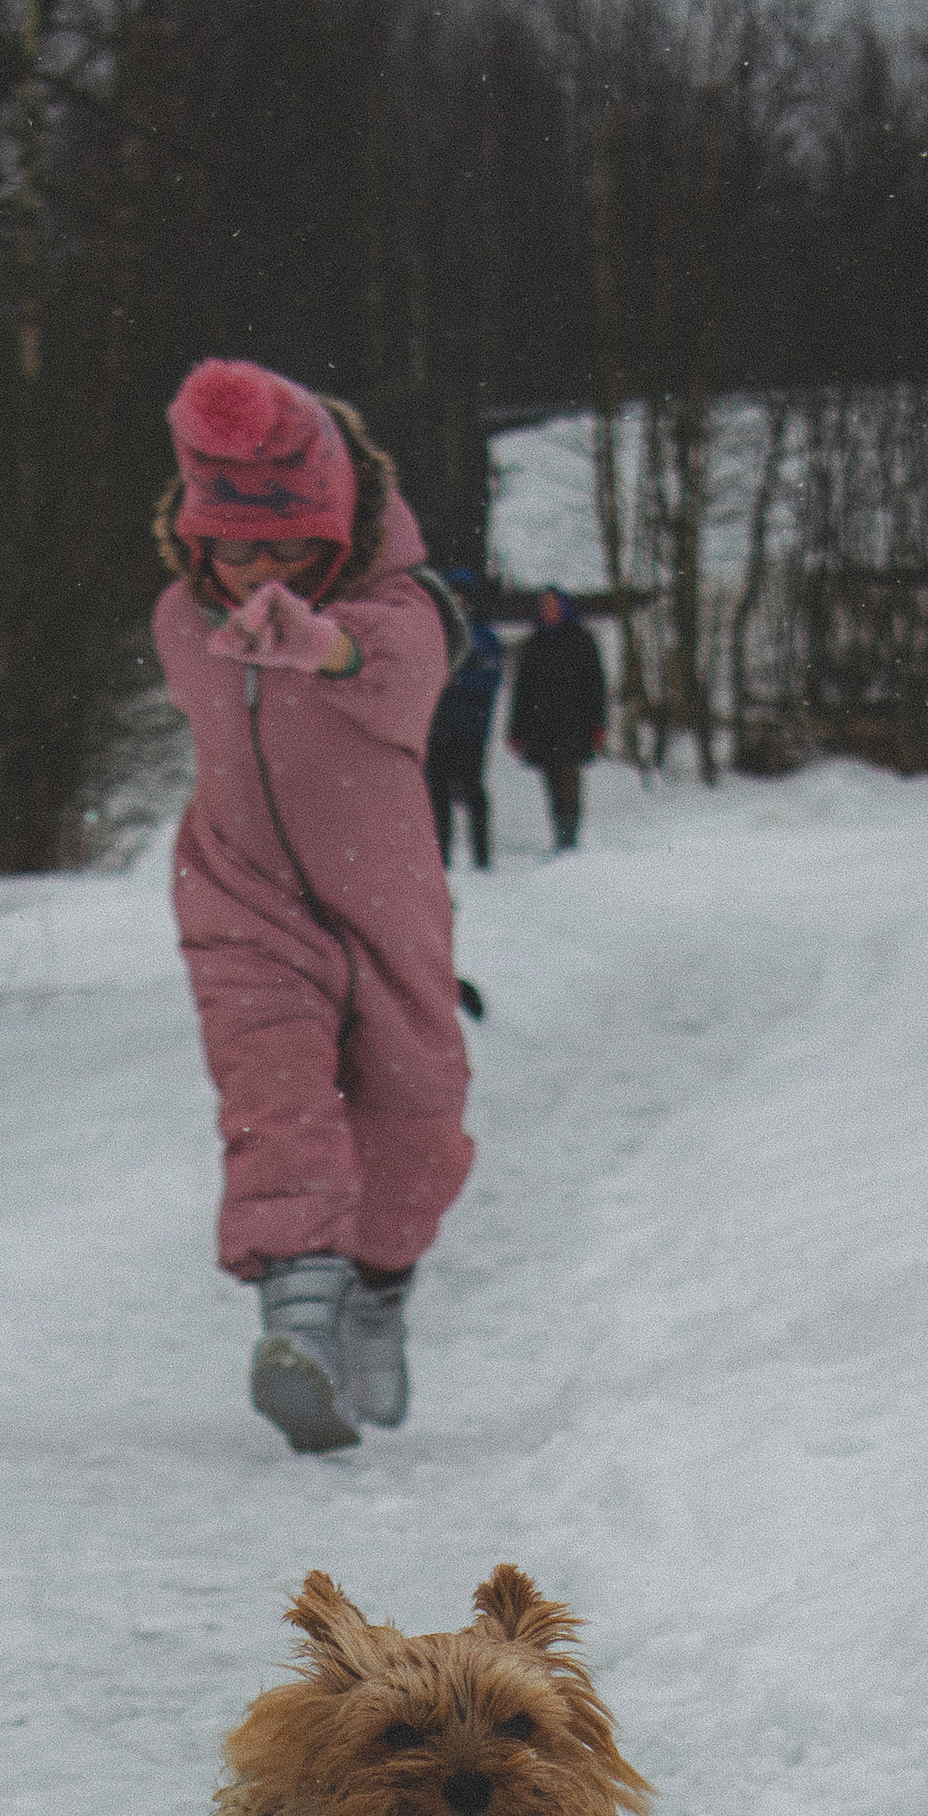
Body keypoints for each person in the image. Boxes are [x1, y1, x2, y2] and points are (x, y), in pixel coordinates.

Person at [152, 360, 472, 1454]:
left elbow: (393, 670)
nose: (258, 573)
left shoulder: (400, 616)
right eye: (234, 548)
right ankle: (297, 1329)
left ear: (339, 533)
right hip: (241, 900)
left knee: (416, 1131)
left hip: (383, 908)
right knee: (276, 1097)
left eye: (289, 549)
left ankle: (375, 1293)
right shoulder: (179, 621)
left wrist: (318, 646)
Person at [507, 587, 610, 851]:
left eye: (553, 606)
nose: (549, 611)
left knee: (568, 781)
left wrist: (598, 724)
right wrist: (517, 730)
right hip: (543, 727)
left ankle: (569, 840)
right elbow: (523, 692)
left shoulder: (581, 640)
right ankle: (560, 837)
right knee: (552, 783)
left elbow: (595, 686)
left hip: (575, 725)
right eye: (545, 606)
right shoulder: (534, 645)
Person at [425, 566, 504, 871]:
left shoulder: (484, 637)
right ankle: (441, 858)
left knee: (473, 789)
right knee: (439, 792)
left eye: (463, 596)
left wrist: (457, 681)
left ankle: (482, 856)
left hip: (471, 726)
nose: (458, 601)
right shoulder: (436, 634)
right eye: (453, 596)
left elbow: (490, 678)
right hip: (438, 726)